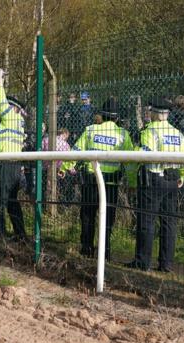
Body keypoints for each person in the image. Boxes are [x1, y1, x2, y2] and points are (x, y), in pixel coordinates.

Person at [59, 97, 136, 260]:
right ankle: (105, 251)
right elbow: (129, 163)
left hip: (90, 181)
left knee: (87, 215)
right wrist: (133, 182)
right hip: (110, 183)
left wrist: (64, 168)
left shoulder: (90, 130)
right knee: (107, 218)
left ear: (102, 115)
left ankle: (86, 249)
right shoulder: (123, 135)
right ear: (116, 118)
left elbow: (76, 151)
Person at [127, 97, 184, 272]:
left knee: (146, 220)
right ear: (167, 114)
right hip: (173, 178)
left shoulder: (150, 130)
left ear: (154, 113)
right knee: (169, 222)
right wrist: (182, 176)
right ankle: (166, 264)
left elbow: (144, 154)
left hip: (154, 177)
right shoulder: (177, 133)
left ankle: (142, 262)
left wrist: (133, 158)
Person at [0, 68, 27, 241]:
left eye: (8, 104)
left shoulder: (10, 117)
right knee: (12, 202)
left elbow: (0, 100)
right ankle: (20, 235)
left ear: (13, 107)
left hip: (5, 163)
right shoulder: (19, 122)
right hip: (14, 164)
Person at [42, 128, 73, 203]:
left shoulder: (45, 140)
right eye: (67, 136)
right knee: (58, 187)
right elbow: (68, 160)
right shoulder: (66, 145)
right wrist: (72, 171)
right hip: (58, 170)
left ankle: (44, 203)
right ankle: (58, 202)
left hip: (45, 168)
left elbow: (41, 150)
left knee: (44, 187)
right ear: (65, 134)